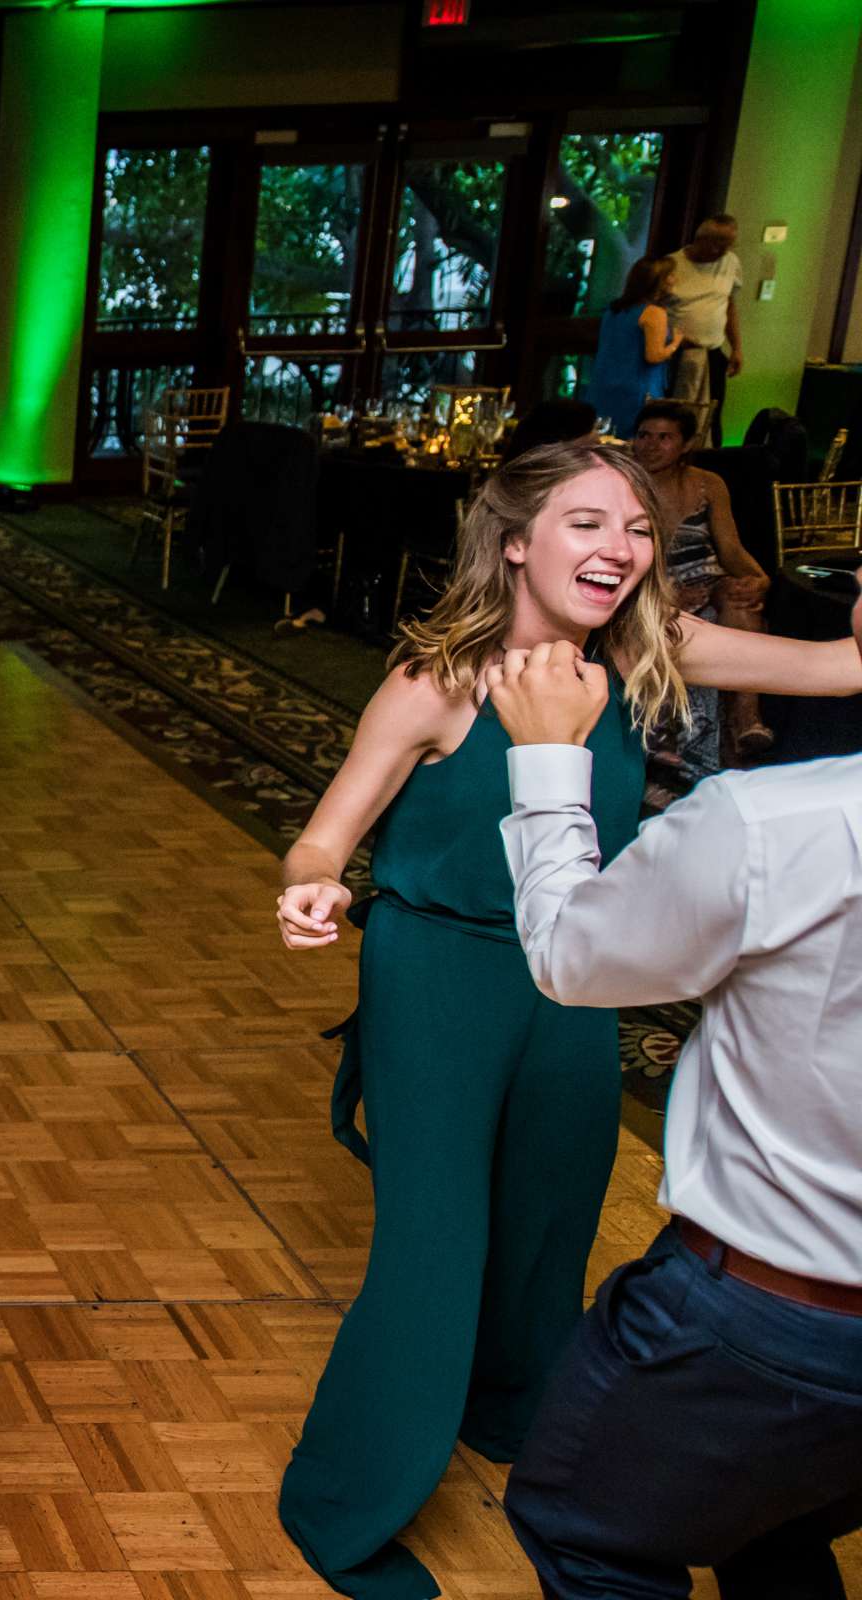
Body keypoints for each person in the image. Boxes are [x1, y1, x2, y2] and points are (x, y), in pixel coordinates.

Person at [271, 440, 862, 1600]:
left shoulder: (651, 654)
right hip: (436, 973)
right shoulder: (437, 678)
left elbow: (840, 670)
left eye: (637, 528)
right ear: (515, 542)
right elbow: (326, 830)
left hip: (574, 981)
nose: (622, 548)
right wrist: (315, 881)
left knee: (552, 1222)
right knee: (432, 1251)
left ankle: (513, 1411)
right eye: (589, 522)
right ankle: (344, 1501)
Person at [486, 634, 862, 1600]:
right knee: (769, 1526)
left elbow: (574, 955)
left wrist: (546, 760)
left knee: (584, 1532)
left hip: (769, 1318)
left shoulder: (777, 822)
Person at [630, 398, 773, 766]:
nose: (651, 445)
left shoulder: (708, 484)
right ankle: (681, 744)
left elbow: (730, 549)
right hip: (650, 583)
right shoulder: (623, 484)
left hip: (709, 579)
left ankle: (746, 720)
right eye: (644, 435)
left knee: (739, 598)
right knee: (682, 614)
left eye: (664, 437)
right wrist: (665, 593)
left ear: (686, 444)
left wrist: (757, 577)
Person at [586, 255, 684, 438]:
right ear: (659, 281)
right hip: (636, 387)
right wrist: (675, 343)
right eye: (671, 275)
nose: (675, 280)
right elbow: (653, 355)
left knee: (601, 438)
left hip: (604, 382)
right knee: (630, 441)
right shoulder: (654, 312)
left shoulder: (614, 309)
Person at [664, 214, 743, 435]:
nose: (721, 251)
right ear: (700, 239)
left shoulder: (731, 262)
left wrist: (736, 347)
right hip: (677, 352)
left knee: (710, 416)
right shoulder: (672, 264)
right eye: (716, 243)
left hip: (712, 352)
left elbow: (729, 304)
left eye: (727, 245)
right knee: (676, 414)